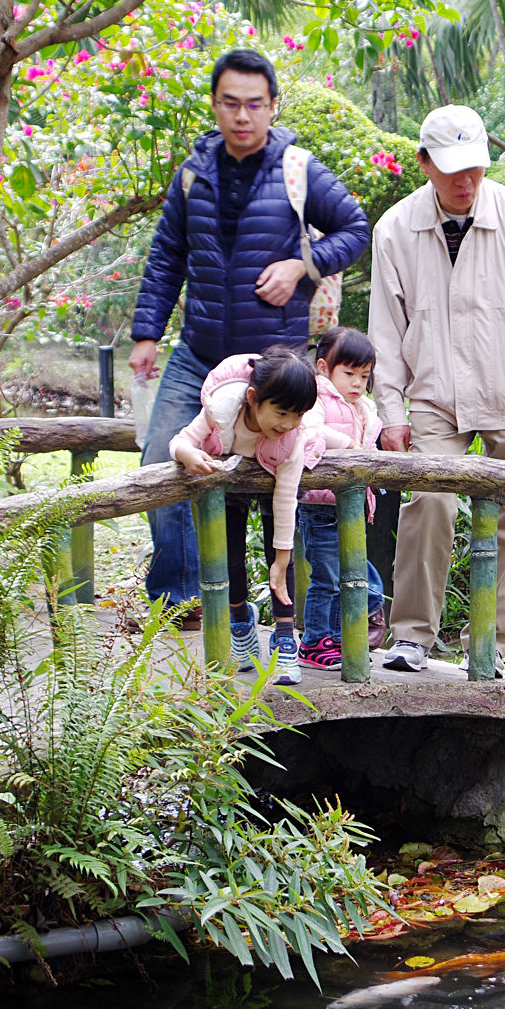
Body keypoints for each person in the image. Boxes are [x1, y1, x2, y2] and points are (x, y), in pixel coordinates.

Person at [128, 47, 369, 620]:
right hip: (198, 353)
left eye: (254, 104)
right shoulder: (193, 175)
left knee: (277, 480)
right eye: (230, 103)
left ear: (272, 106)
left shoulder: (298, 167)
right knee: (159, 465)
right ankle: (183, 600)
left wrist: (302, 266)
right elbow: (166, 257)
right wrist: (145, 333)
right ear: (215, 105)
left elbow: (356, 228)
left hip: (271, 361)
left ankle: (289, 612)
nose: (242, 116)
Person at [368, 103, 505, 675]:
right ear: (424, 162)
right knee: (429, 503)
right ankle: (410, 635)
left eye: (476, 167)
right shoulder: (394, 230)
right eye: (452, 168)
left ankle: (492, 644)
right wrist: (390, 411)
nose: (466, 182)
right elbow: (386, 328)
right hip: (433, 394)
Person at [169, 346, 322, 682]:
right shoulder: (222, 409)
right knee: (231, 558)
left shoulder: (291, 438)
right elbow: (181, 440)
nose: (290, 423)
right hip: (229, 482)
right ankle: (241, 624)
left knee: (281, 561)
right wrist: (188, 454)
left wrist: (282, 557)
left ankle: (284, 638)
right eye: (282, 413)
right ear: (253, 397)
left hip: (274, 481)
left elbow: (285, 497)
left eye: (299, 415)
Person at [297, 326, 388, 669]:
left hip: (350, 508)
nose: (356, 383)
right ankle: (315, 641)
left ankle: (336, 637)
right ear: (323, 368)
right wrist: (349, 446)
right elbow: (310, 431)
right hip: (320, 507)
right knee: (327, 579)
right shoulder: (315, 399)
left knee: (358, 580)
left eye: (363, 376)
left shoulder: (361, 406)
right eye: (348, 373)